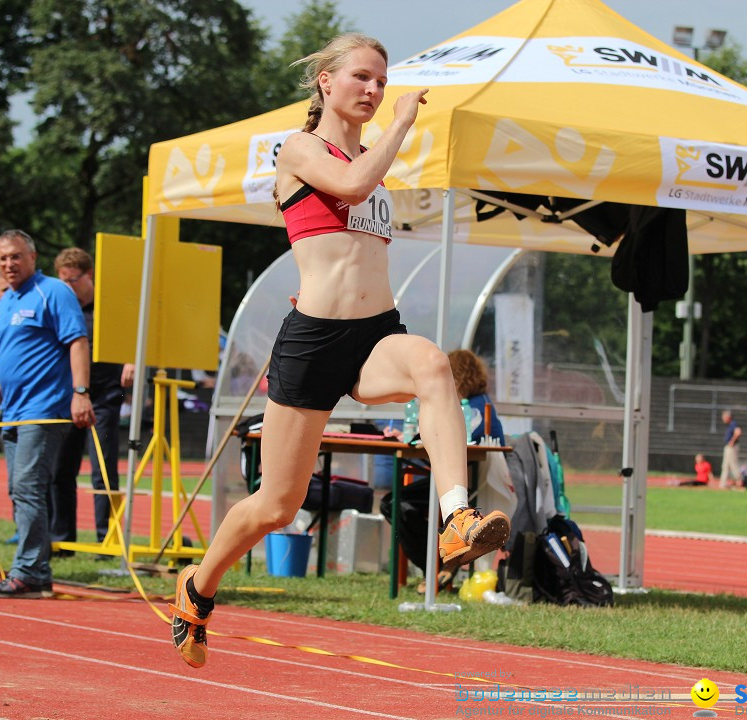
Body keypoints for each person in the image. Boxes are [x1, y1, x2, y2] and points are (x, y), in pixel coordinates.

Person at [169, 33, 510, 668]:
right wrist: (404, 120)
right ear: (326, 82)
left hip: (375, 331)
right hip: (313, 340)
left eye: (383, 83)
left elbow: (361, 211)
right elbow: (351, 185)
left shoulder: (373, 170)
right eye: (363, 78)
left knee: (435, 365)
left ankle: (457, 518)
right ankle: (196, 587)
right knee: (278, 504)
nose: (375, 91)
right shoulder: (301, 149)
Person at [0, 230, 94, 598]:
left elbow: (77, 341)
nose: (9, 265)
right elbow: (4, 362)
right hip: (12, 411)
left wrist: (80, 393)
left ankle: (28, 571)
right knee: (19, 490)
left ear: (32, 255)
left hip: (42, 410)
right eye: (2, 259)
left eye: (15, 257)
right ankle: (35, 571)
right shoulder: (6, 301)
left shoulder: (54, 292)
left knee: (28, 488)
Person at [50, 247, 134, 545]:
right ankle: (61, 537)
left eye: (73, 281)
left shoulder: (108, 306)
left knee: (103, 471)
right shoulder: (63, 306)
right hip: (69, 397)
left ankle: (106, 539)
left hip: (103, 396)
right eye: (63, 282)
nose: (68, 288)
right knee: (61, 469)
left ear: (89, 277)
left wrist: (131, 360)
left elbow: (134, 333)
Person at [446, 349, 505, 444]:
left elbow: (456, 439)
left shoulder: (477, 410)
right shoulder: (480, 402)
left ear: (458, 380)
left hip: (480, 458)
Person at [719, 409, 742, 489]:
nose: (723, 418)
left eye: (724, 416)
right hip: (728, 447)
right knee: (725, 466)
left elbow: (738, 432)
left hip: (731, 447)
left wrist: (732, 441)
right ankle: (723, 483)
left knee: (733, 464)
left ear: (728, 417)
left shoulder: (733, 424)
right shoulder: (730, 425)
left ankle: (739, 481)